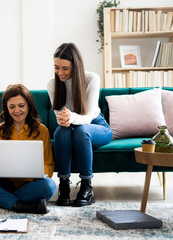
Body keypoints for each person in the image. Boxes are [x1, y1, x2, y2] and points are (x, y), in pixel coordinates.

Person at [0, 84, 56, 214]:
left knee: (49, 186)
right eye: (12, 107)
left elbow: (49, 164)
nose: (17, 110)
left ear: (29, 105)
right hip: (2, 182)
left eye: (21, 106)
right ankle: (17, 204)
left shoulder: (41, 130)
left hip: (28, 185)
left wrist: (35, 172)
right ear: (6, 108)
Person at [47, 43, 113, 207]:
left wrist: (69, 118)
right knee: (61, 132)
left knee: (80, 131)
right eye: (56, 67)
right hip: (69, 127)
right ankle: (64, 186)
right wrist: (65, 119)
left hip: (97, 126)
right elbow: (59, 117)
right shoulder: (52, 84)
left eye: (65, 68)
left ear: (75, 66)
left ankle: (86, 187)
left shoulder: (91, 79)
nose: (60, 73)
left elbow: (89, 116)